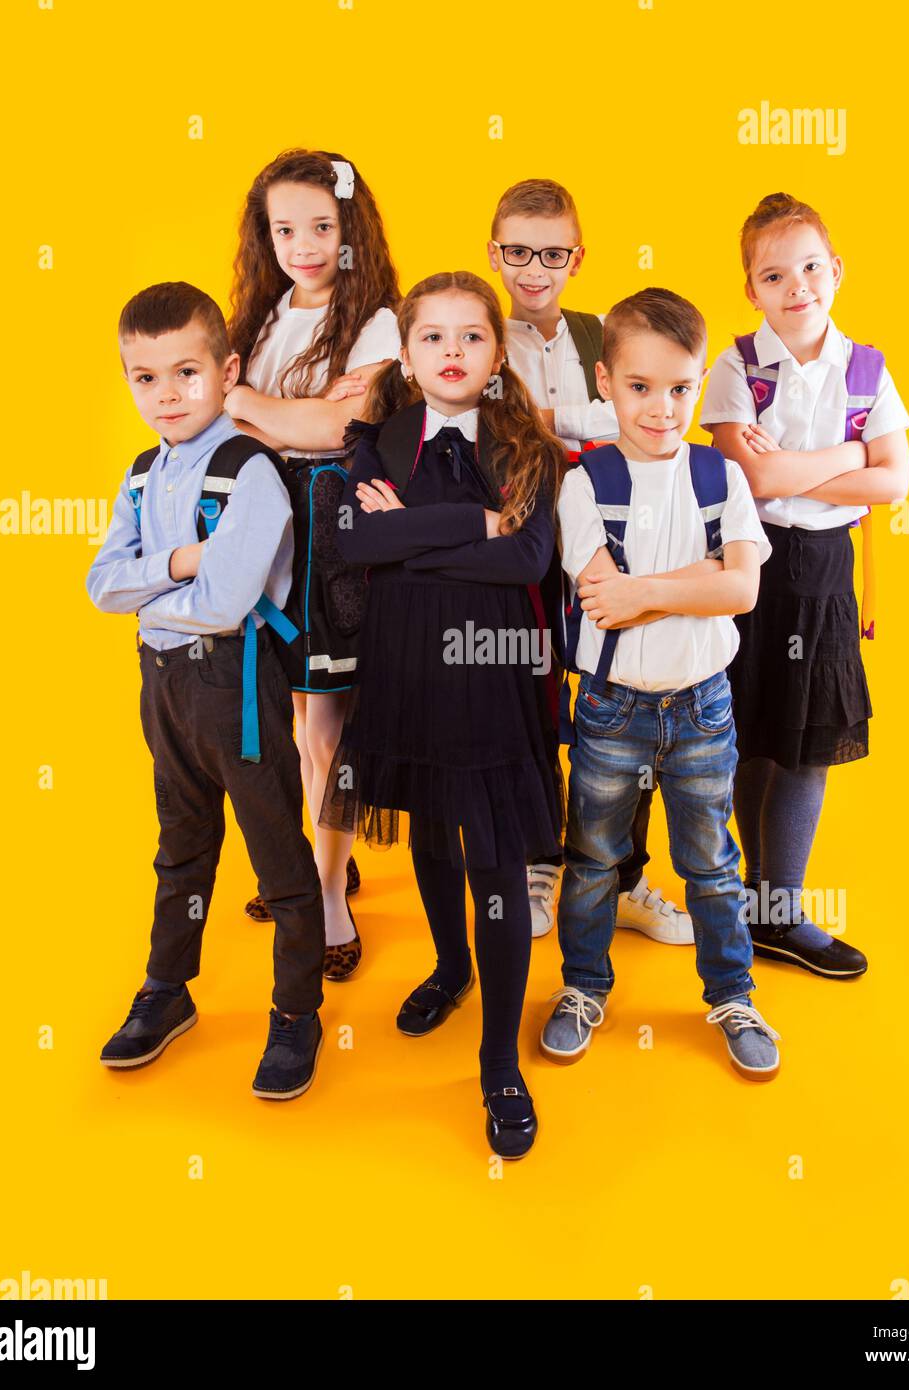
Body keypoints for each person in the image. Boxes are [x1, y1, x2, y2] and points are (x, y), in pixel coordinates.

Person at [321, 271, 566, 1156]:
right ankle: (450, 964)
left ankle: (500, 1059)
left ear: (498, 355)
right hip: (404, 667)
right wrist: (476, 525)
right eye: (434, 338)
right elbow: (354, 541)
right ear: (409, 353)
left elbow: (527, 559)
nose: (452, 352)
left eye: (471, 337)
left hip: (493, 671)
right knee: (427, 831)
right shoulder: (380, 439)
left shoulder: (524, 443)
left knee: (494, 859)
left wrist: (414, 538)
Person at [87, 281, 326, 1100]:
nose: (166, 394)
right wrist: (182, 562)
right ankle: (168, 988)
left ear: (226, 372)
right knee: (180, 846)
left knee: (276, 857)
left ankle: (297, 1011)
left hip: (234, 684)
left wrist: (150, 586)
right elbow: (100, 585)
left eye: (185, 372)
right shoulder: (143, 472)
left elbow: (226, 604)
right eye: (144, 377)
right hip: (161, 687)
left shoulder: (247, 468)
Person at [542, 287, 782, 1080]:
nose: (662, 407)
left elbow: (742, 591)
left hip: (704, 704)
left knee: (711, 863)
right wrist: (696, 578)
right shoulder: (586, 483)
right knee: (594, 859)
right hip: (612, 709)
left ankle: (732, 994)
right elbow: (602, 600)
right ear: (605, 383)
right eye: (640, 387)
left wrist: (650, 589)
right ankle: (582, 987)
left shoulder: (721, 478)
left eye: (681, 388)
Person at [701, 193, 909, 978]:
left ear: (837, 270)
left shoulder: (867, 369)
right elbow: (752, 479)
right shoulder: (734, 366)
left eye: (811, 267)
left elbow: (897, 484)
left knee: (808, 743)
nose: (798, 286)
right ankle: (746, 903)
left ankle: (779, 908)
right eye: (774, 274)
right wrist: (852, 457)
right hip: (748, 563)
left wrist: (812, 468)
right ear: (751, 289)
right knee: (748, 732)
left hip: (825, 574)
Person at [487, 177, 691, 947]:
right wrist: (541, 428)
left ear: (578, 256)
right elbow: (483, 422)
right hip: (517, 545)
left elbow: (636, 407)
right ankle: (544, 860)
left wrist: (546, 418)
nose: (534, 269)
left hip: (614, 539)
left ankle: (625, 874)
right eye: (517, 252)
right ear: (494, 253)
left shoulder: (600, 330)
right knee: (534, 701)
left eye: (552, 253)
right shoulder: (480, 333)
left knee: (627, 695)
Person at [225, 148, 401, 980]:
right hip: (261, 532)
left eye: (322, 227)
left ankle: (330, 893)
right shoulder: (260, 317)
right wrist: (283, 418)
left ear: (350, 229)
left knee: (328, 728)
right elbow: (223, 434)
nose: (304, 244)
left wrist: (246, 404)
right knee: (285, 720)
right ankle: (318, 865)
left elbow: (341, 431)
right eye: (285, 228)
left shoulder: (378, 323)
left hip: (332, 537)